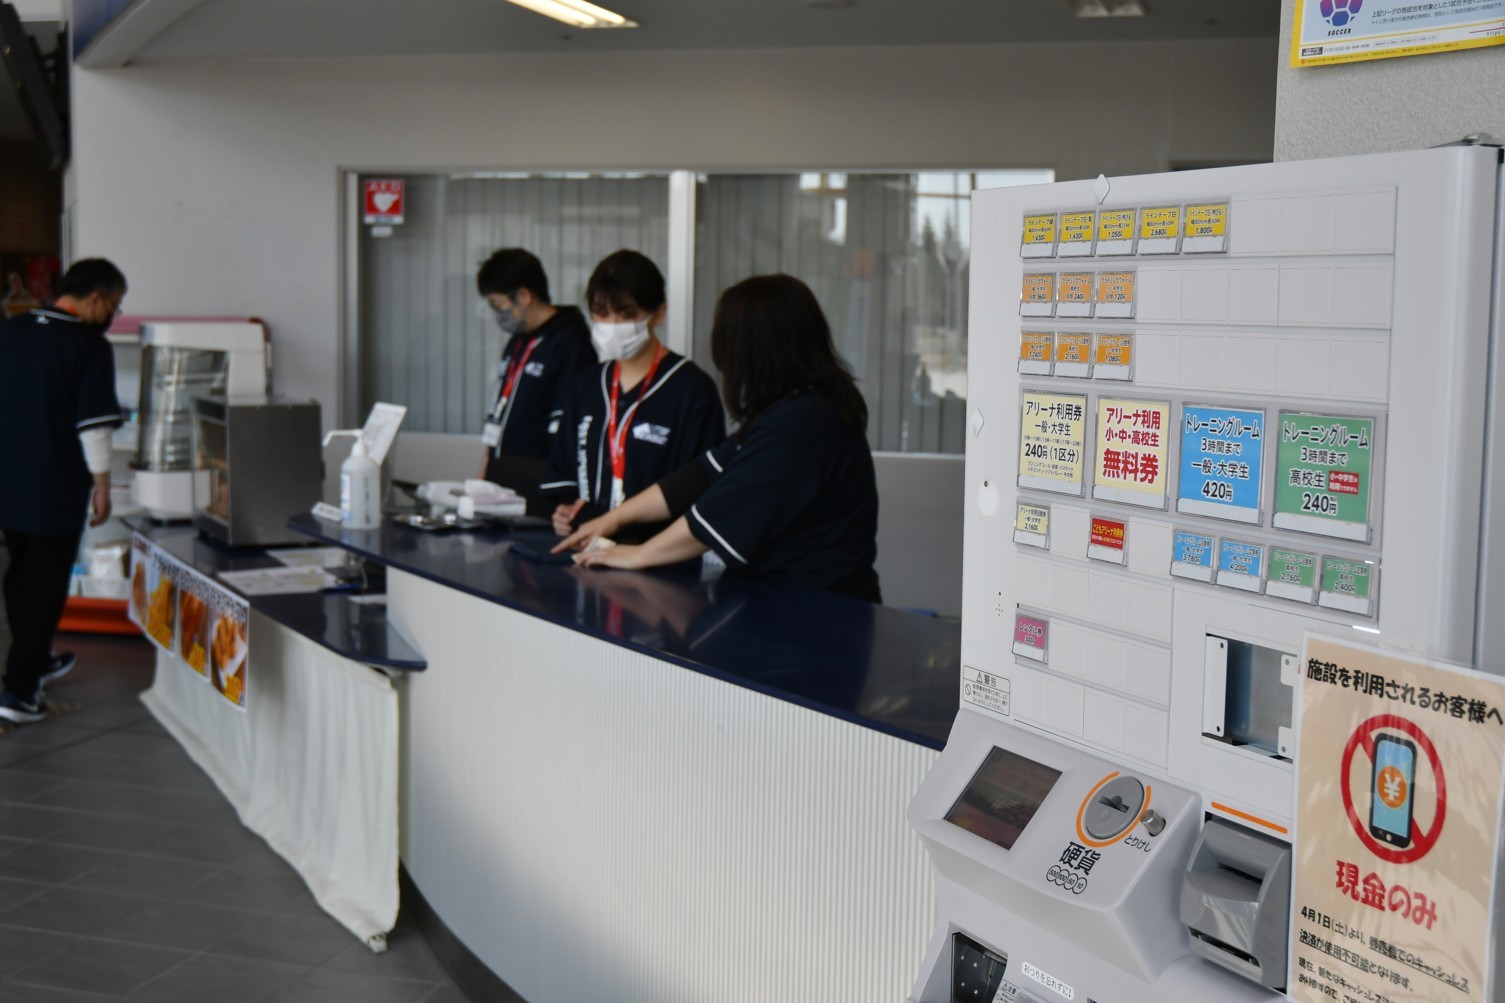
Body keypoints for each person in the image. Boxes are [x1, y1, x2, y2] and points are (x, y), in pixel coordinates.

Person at [556, 273, 881, 603]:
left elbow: (712, 519)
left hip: (821, 608)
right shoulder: (791, 408)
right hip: (794, 598)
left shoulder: (802, 422)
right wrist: (611, 521)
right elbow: (700, 475)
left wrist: (639, 554)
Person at [0, 258, 127, 723]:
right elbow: (93, 428)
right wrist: (102, 487)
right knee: (45, 587)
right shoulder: (89, 346)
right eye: (113, 305)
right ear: (96, 298)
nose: (112, 314)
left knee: (19, 575)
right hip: (55, 484)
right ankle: (20, 692)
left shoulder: (14, 330)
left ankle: (35, 661)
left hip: (8, 479)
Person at [540, 250, 725, 541]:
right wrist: (564, 511)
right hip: (585, 547)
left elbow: (698, 485)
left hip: (658, 553)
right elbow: (562, 467)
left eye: (626, 315)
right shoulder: (585, 384)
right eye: (601, 314)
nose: (612, 326)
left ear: (659, 313)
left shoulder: (691, 390)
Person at [476, 248, 597, 515]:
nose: (497, 314)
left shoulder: (569, 343)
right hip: (501, 481)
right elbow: (500, 413)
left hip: (537, 488)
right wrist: (483, 474)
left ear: (524, 296)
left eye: (497, 305)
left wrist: (561, 497)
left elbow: (569, 428)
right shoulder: (518, 340)